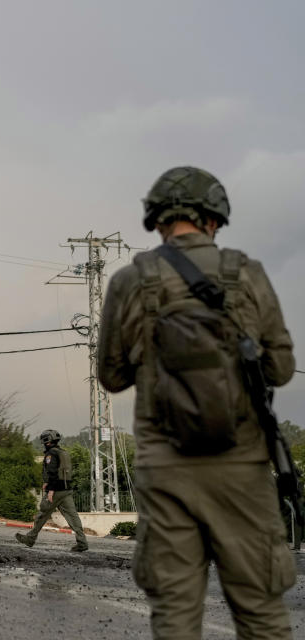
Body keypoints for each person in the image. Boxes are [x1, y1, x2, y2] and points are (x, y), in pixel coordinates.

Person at [98, 166, 296, 638]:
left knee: (176, 615)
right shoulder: (246, 274)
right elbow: (281, 369)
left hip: (166, 471)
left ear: (158, 220)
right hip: (241, 468)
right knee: (260, 612)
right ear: (214, 218)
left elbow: (111, 377)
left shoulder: (131, 281)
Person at [15, 429, 88, 551]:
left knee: (42, 515)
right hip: (66, 490)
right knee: (73, 517)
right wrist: (46, 482)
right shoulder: (62, 452)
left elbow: (53, 472)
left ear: (46, 441)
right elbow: (62, 471)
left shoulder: (51, 454)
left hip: (56, 491)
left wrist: (51, 490)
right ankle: (82, 542)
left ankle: (30, 538)